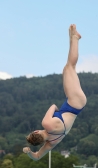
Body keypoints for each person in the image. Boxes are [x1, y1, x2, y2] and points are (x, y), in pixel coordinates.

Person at [23, 24, 87, 160]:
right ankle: (75, 38)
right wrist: (59, 110)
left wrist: (29, 152)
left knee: (67, 69)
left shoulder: (52, 142)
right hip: (73, 102)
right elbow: (53, 106)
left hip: (76, 105)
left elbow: (37, 157)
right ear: (36, 132)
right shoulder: (46, 124)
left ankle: (73, 39)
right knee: (70, 67)